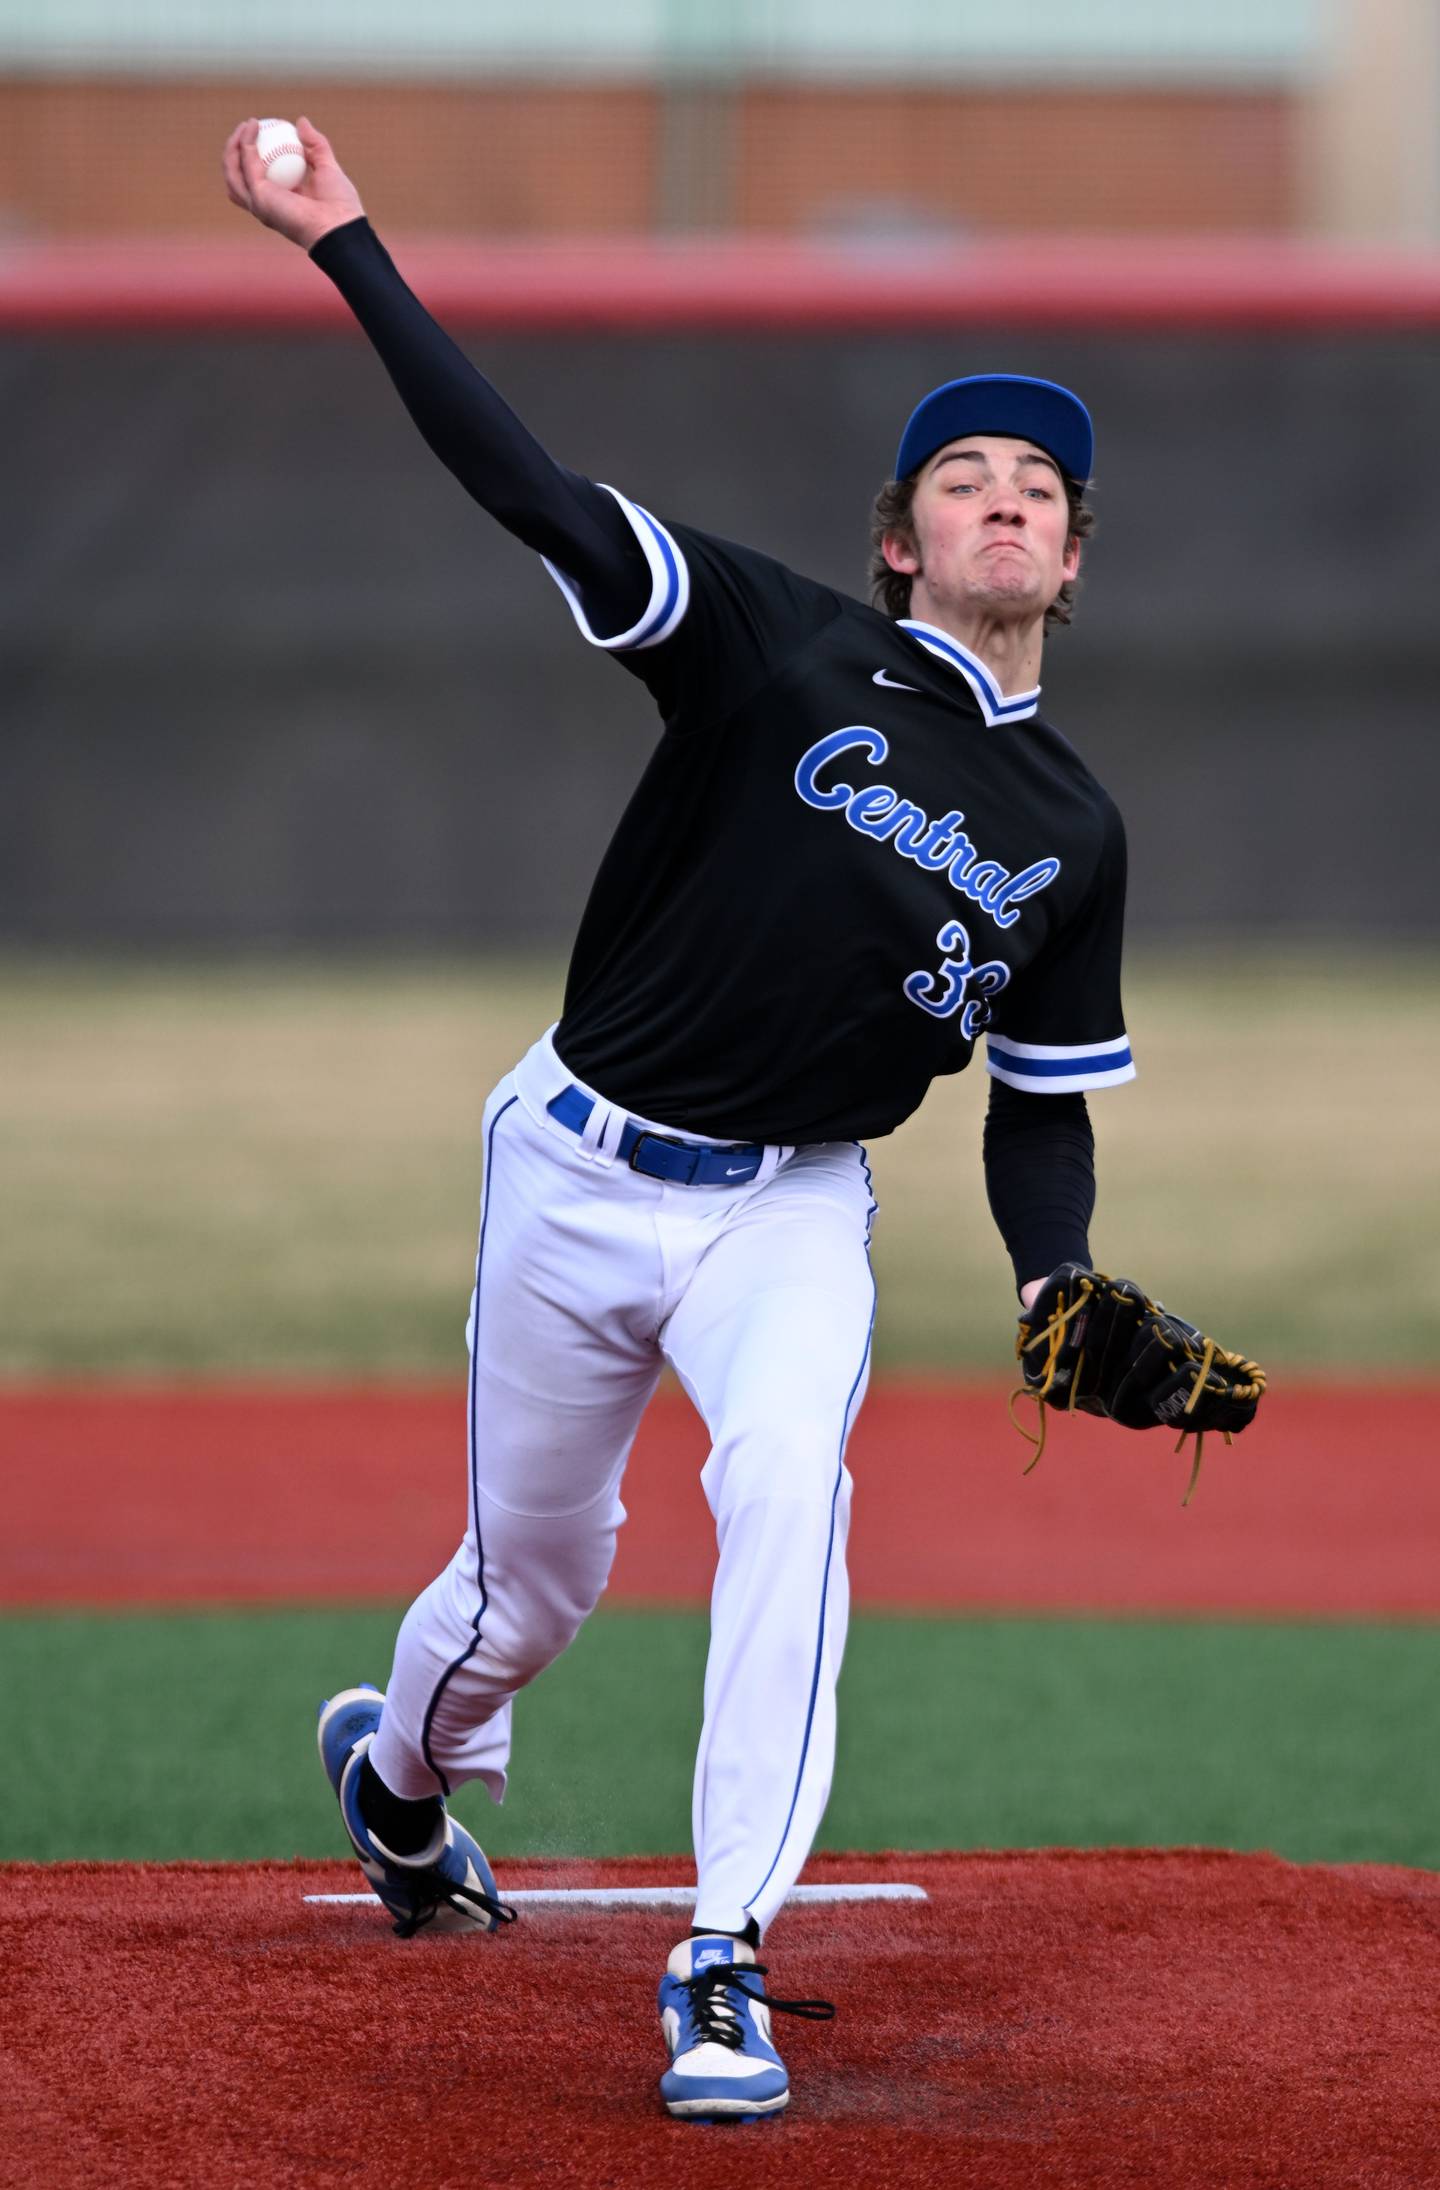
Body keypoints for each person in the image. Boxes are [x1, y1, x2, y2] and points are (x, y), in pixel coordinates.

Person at [224, 115, 1135, 2123]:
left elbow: (1038, 1107)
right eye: (963, 478)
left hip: (791, 1214)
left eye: (1038, 486)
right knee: (522, 1594)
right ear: (900, 537)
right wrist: (347, 241)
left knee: (790, 1491)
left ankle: (722, 1951)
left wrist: (1062, 1275)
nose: (1002, 502)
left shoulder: (1073, 832)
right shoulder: (775, 640)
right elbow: (530, 489)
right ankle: (397, 1777)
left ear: (1072, 557)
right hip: (570, 1163)